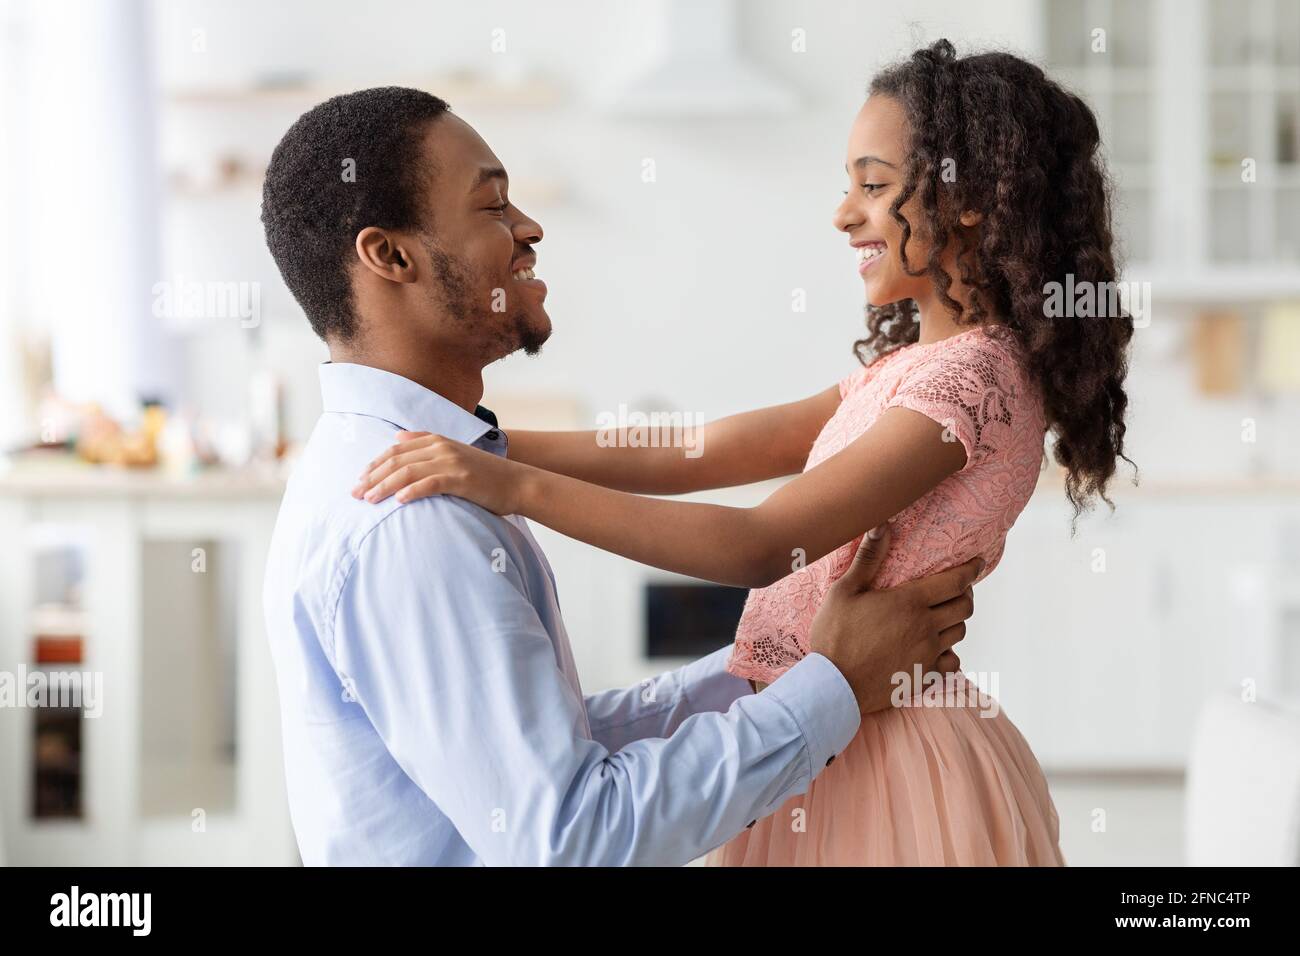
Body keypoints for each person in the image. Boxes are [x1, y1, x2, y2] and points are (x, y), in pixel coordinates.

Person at [356, 41, 1135, 865]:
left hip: (895, 759)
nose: (843, 213)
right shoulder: (912, 370)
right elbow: (698, 448)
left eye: (872, 186)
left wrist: (510, 484)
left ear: (970, 198)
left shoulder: (975, 383)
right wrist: (492, 440)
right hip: (834, 728)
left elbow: (763, 546)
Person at [260, 85, 978, 866]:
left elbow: (532, 749)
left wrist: (775, 669)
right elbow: (574, 837)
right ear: (390, 256)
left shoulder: (403, 463)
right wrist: (831, 686)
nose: (530, 229)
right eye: (494, 207)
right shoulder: (410, 513)